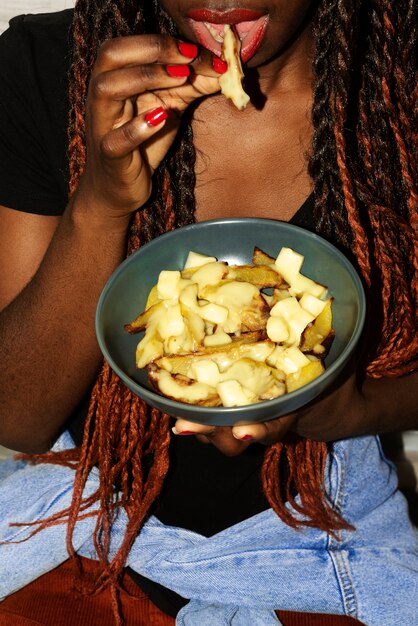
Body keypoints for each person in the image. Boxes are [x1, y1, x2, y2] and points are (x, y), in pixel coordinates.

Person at [0, 1, 417, 625]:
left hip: (332, 535)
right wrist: (103, 201)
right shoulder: (47, 66)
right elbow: (18, 418)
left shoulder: (398, 80)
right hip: (83, 521)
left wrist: (352, 408)